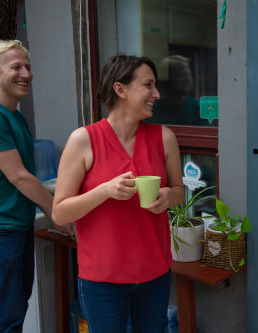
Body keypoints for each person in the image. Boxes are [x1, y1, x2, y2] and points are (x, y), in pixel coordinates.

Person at [52, 54, 185, 332]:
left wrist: (167, 198)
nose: (156, 94)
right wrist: (104, 191)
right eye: (148, 85)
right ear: (120, 89)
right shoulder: (83, 140)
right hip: (102, 280)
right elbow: (60, 212)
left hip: (154, 274)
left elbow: (178, 191)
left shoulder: (164, 138)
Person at [0, 39, 73, 332]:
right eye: (16, 67)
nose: (25, 73)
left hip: (13, 224)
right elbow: (19, 176)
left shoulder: (14, 115)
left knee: (16, 306)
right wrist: (56, 213)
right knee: (6, 315)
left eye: (28, 66)